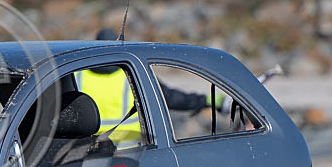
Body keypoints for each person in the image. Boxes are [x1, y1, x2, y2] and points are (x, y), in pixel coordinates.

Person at [77, 28, 228, 144]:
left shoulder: (78, 75)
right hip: (131, 149)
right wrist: (211, 100)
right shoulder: (130, 73)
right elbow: (171, 98)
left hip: (89, 150)